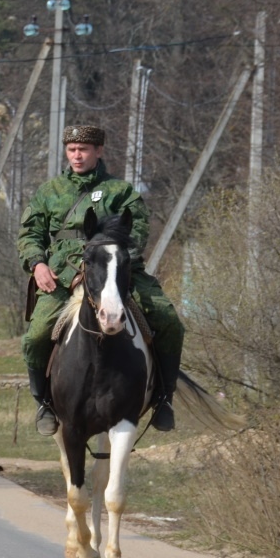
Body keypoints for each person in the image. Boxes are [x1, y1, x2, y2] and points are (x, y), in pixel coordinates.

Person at [17, 125, 184, 435]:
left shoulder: (120, 192)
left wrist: (111, 254)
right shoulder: (49, 191)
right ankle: (44, 403)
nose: (77, 155)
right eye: (72, 149)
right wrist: (38, 263)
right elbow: (30, 233)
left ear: (99, 151)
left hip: (114, 269)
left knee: (169, 320)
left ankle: (163, 398)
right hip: (62, 273)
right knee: (36, 335)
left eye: (83, 149)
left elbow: (137, 231)